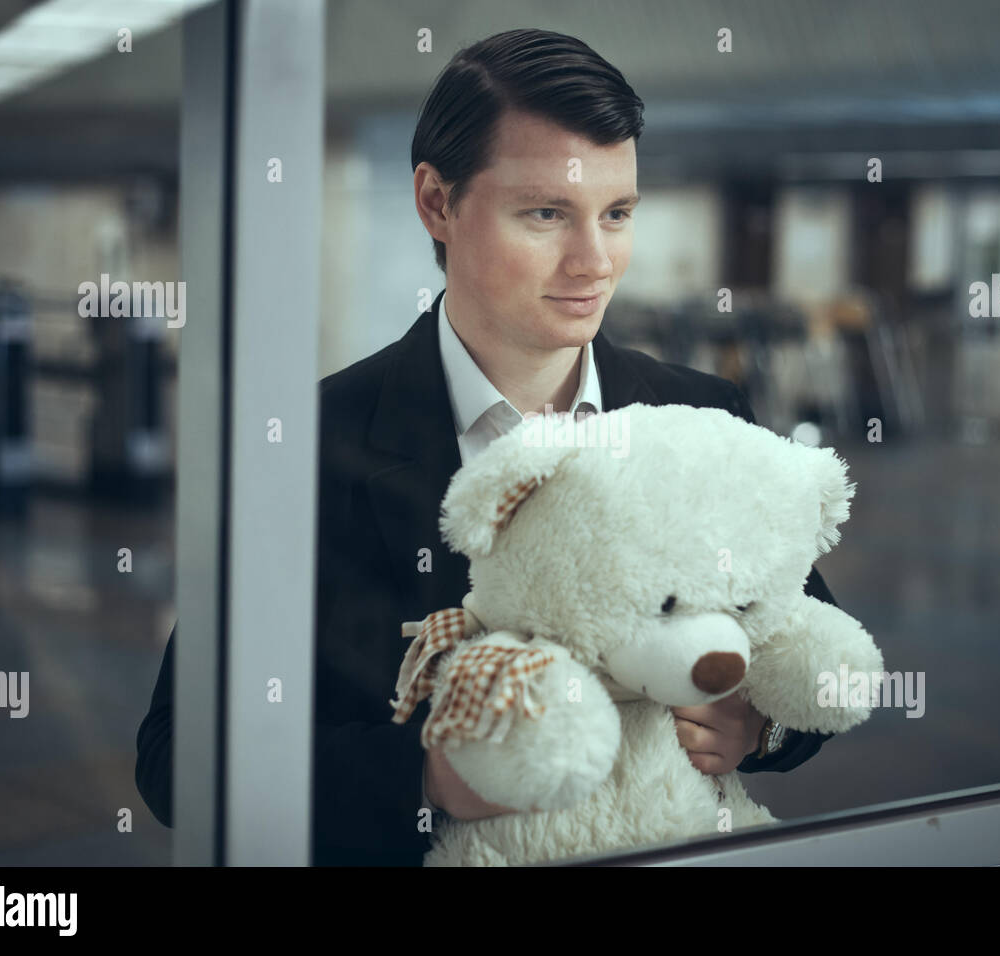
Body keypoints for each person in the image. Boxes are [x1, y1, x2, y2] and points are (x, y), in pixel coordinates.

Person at [136, 27, 840, 866]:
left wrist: (759, 727)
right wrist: (428, 777)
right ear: (437, 202)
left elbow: (817, 658)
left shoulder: (699, 411)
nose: (594, 262)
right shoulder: (308, 451)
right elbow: (179, 761)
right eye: (545, 214)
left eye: (616, 215)